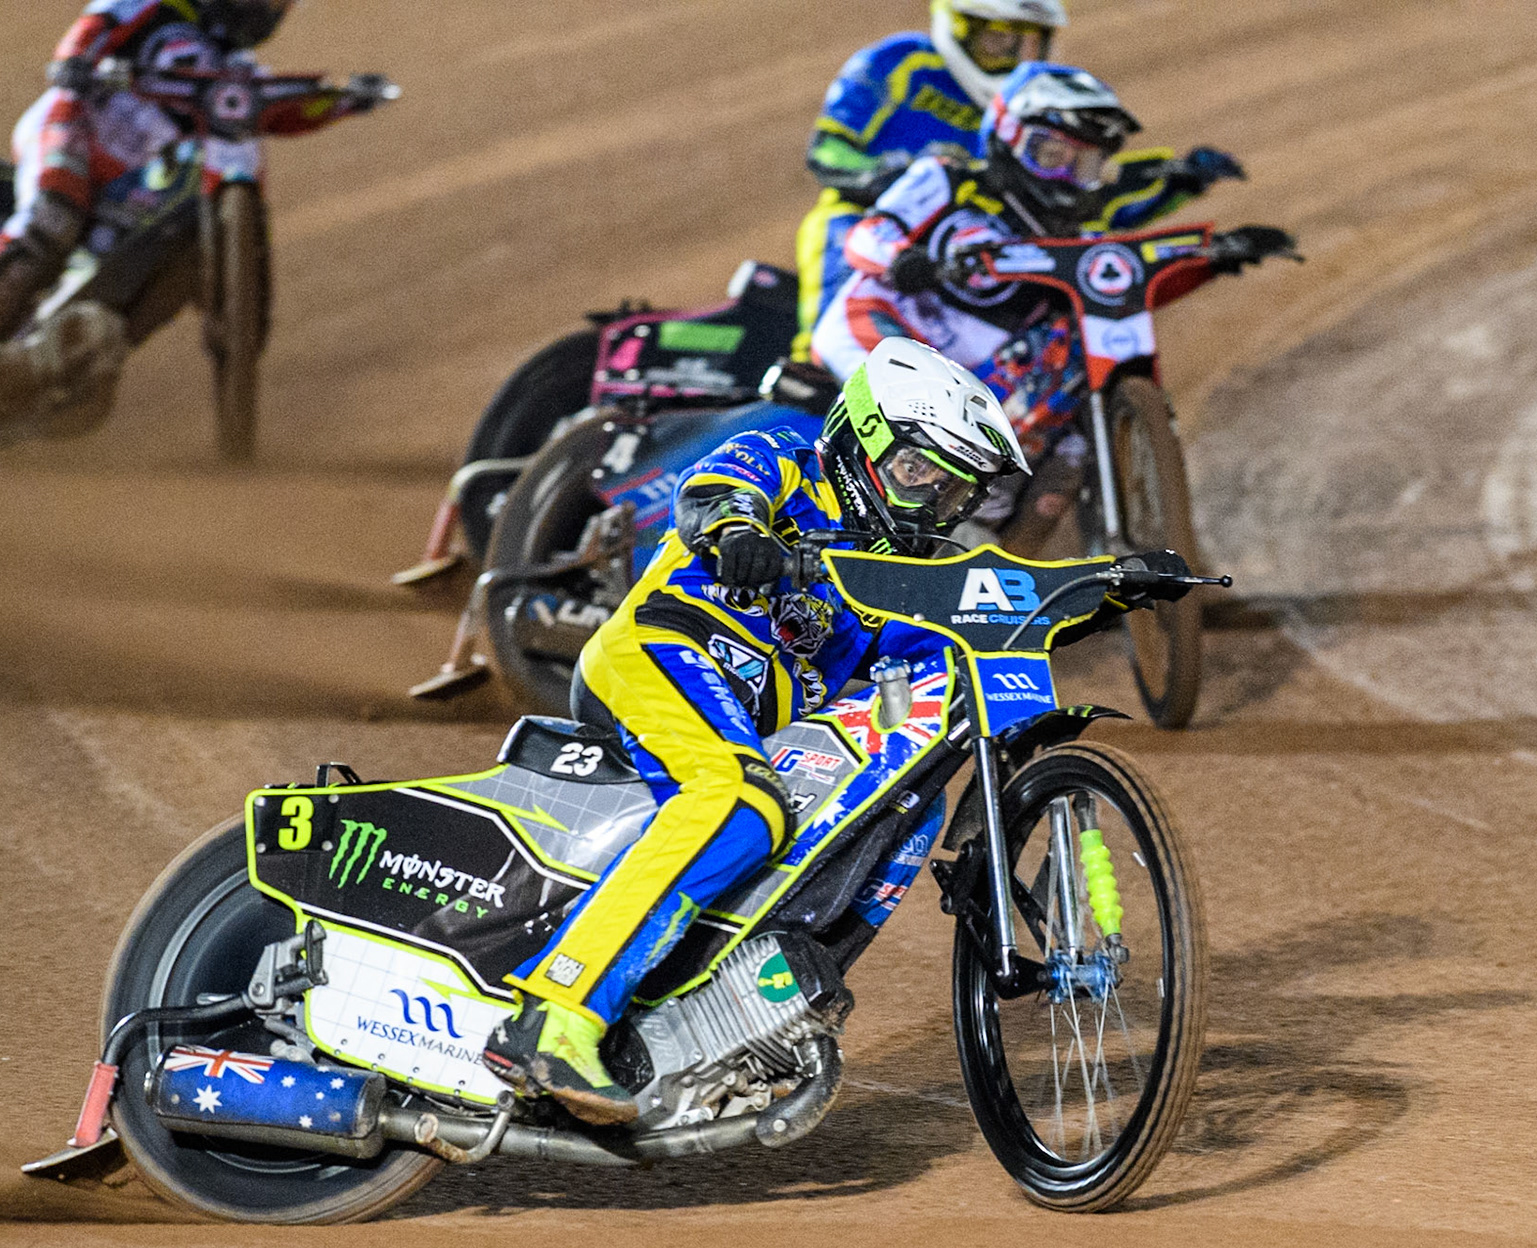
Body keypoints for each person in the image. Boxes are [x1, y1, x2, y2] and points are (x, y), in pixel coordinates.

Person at [483, 338, 1040, 1124]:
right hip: (661, 647)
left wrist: (1087, 597)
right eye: (920, 474)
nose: (931, 506)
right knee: (742, 798)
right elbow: (713, 490)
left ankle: (741, 1002)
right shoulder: (790, 456)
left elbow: (959, 636)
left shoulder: (886, 575)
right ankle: (555, 1013)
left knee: (903, 796)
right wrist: (741, 533)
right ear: (867, 440)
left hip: (741, 716)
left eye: (953, 495)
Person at [0, 0, 381, 436]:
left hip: (138, 181)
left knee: (185, 255)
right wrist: (76, 61)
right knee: (52, 222)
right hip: (77, 125)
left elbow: (280, 112)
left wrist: (343, 102)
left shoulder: (236, 67)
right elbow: (94, 25)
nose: (270, 9)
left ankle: (60, 362)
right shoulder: (156, 4)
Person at [811, 62, 1246, 380]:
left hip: (972, 385)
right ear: (1008, 134)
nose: (1066, 176)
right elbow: (868, 235)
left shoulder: (1072, 234)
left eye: (1085, 164)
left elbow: (1122, 282)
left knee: (1065, 435)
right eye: (1051, 154)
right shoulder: (947, 179)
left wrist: (1217, 257)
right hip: (878, 328)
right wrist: (904, 260)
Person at [794, 1, 1070, 360]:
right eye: (998, 39)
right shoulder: (902, 61)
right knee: (841, 240)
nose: (1013, 54)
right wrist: (897, 173)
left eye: (1028, 42)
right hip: (869, 221)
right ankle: (813, 376)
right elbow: (827, 150)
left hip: (966, 245)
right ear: (959, 26)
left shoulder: (1030, 106)